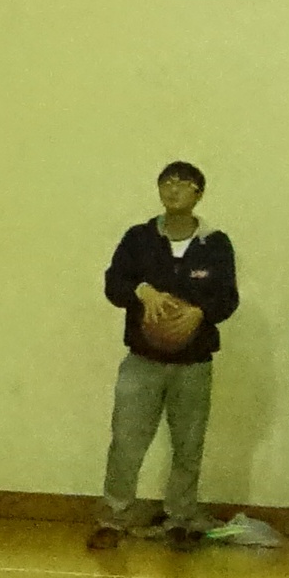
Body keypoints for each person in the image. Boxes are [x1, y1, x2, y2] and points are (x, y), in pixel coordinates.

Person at [96, 162, 240, 548]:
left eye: (183, 183)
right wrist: (140, 290)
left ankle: (180, 518)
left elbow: (228, 298)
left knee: (188, 446)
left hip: (193, 364)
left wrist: (200, 312)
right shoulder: (139, 238)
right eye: (167, 182)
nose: (173, 188)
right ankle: (114, 518)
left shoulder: (216, 244)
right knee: (126, 442)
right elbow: (113, 283)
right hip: (142, 361)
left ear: (199, 193)